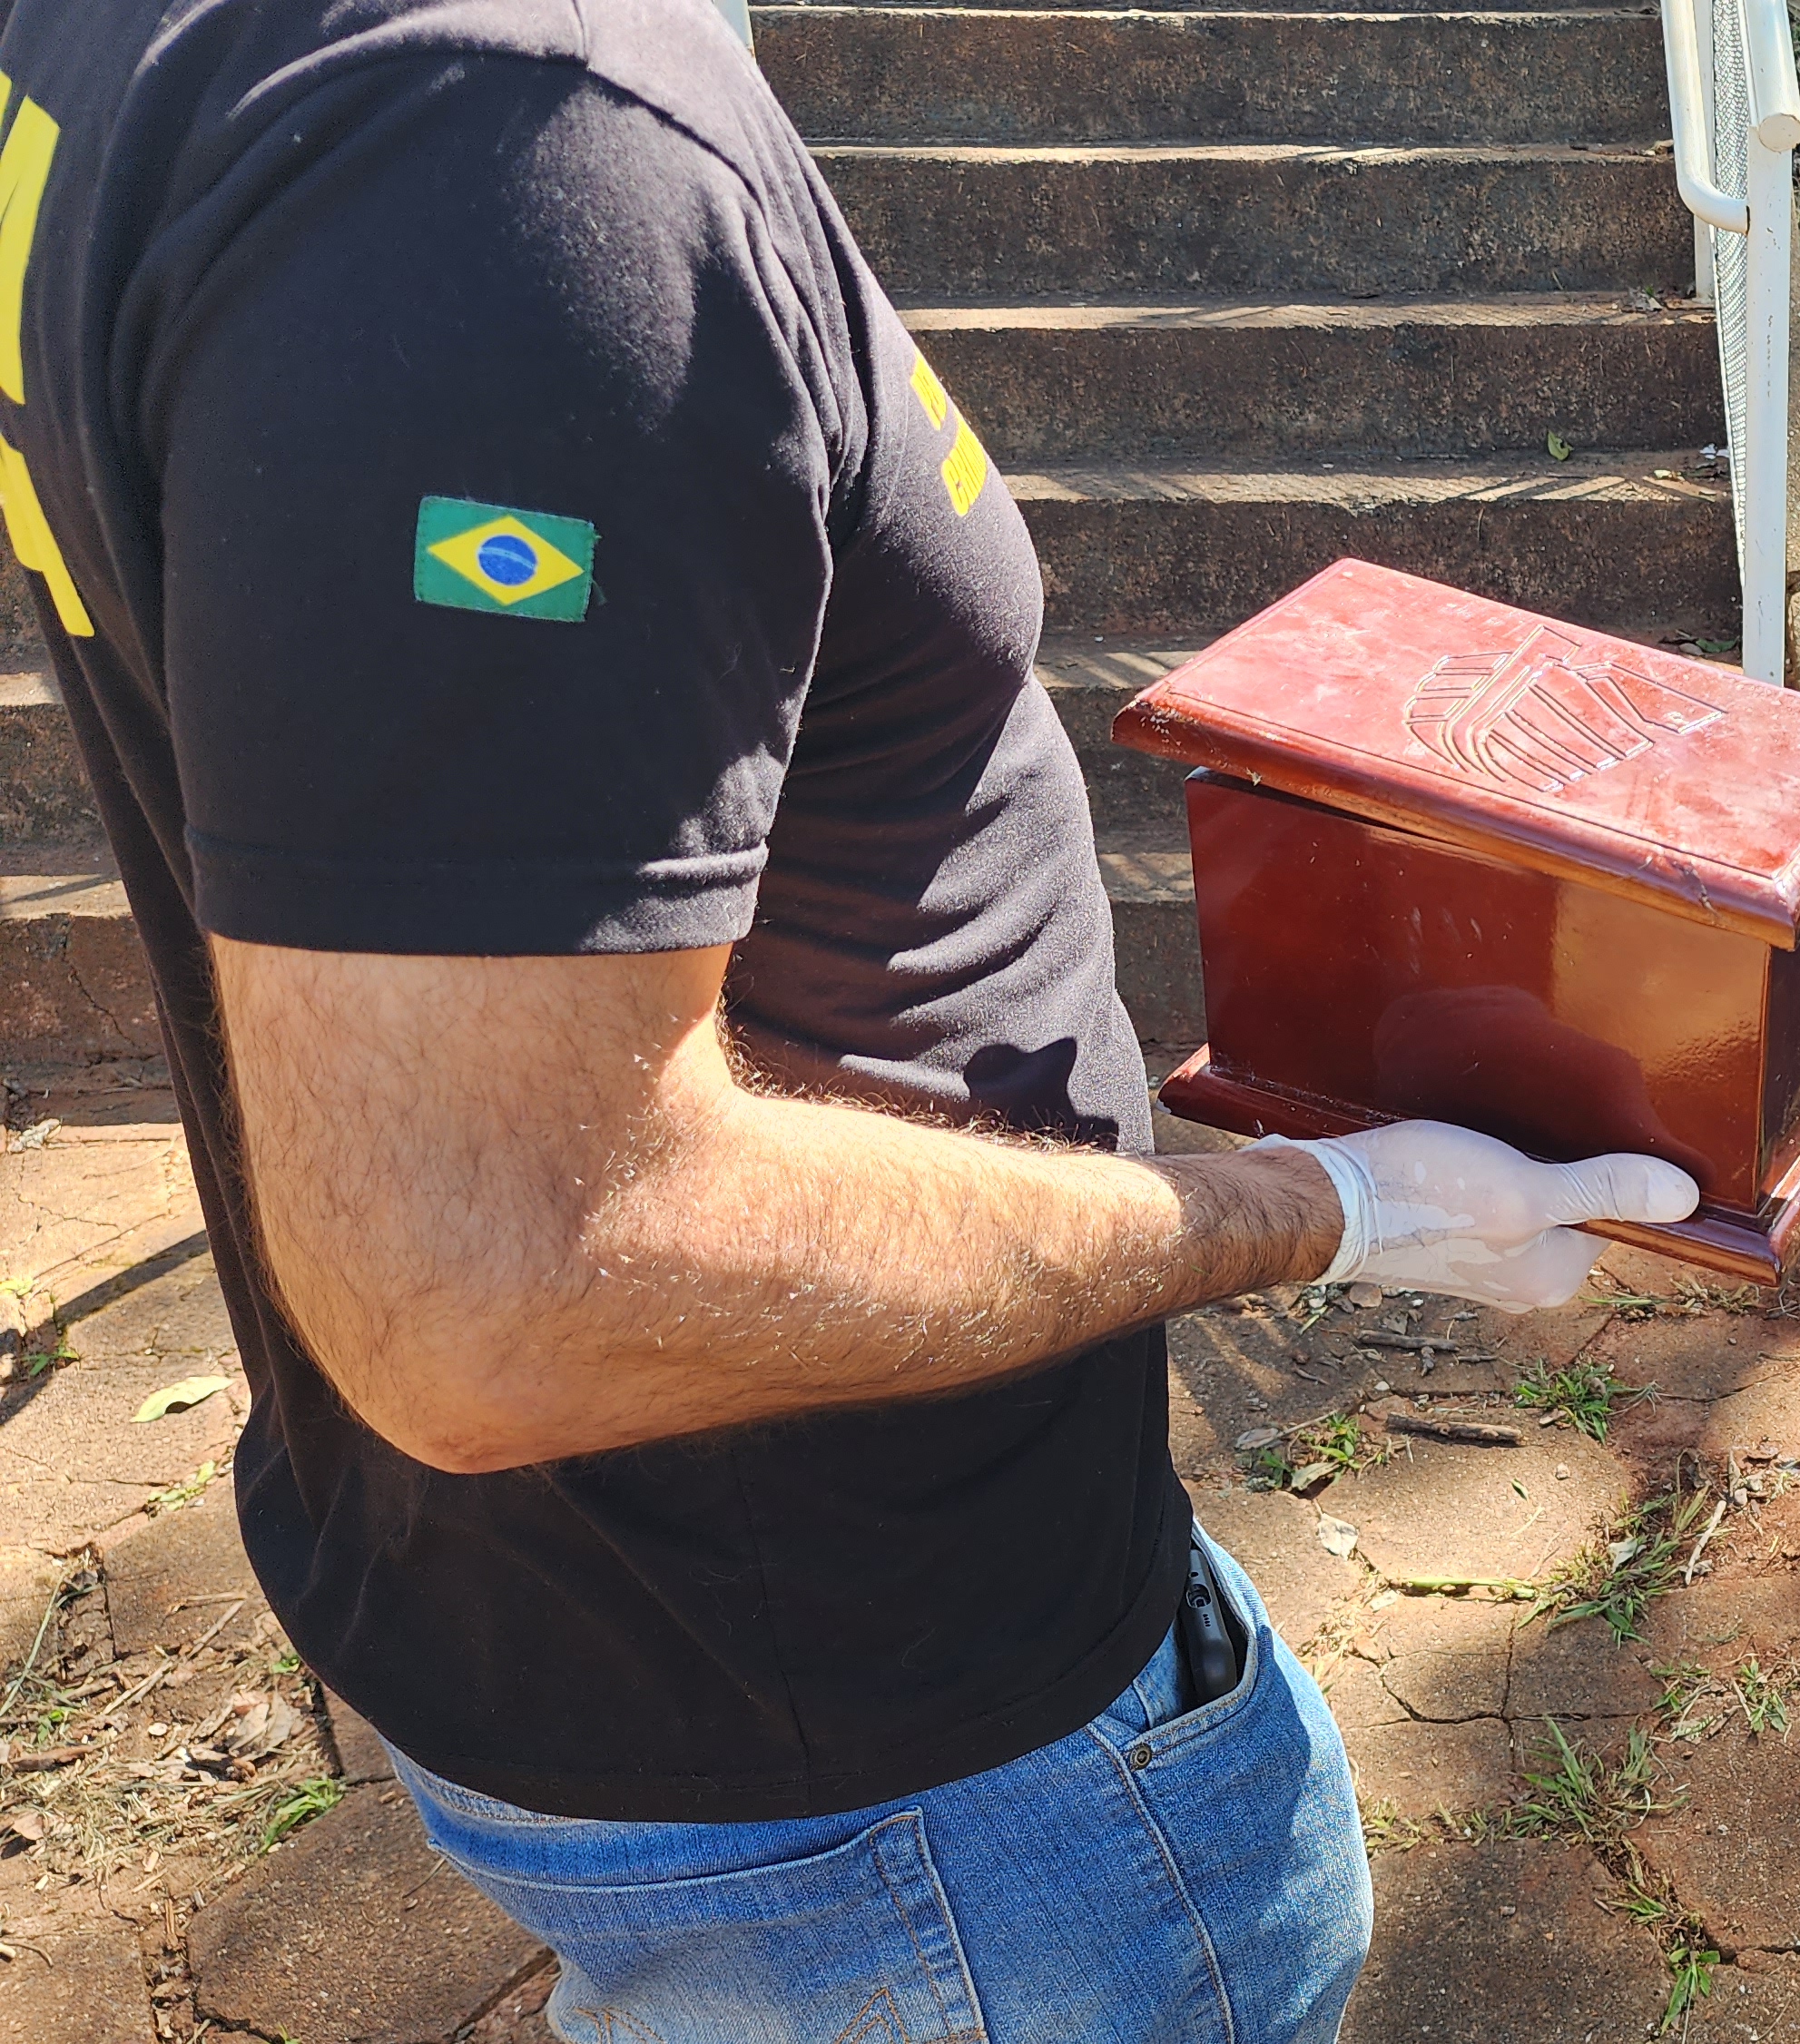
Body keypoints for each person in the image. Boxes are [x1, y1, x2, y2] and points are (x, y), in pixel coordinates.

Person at [0, 0, 1697, 2036]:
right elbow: (501, 1277)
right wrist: (1309, 1209)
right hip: (900, 1765)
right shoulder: (516, 153)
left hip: (628, 1649)